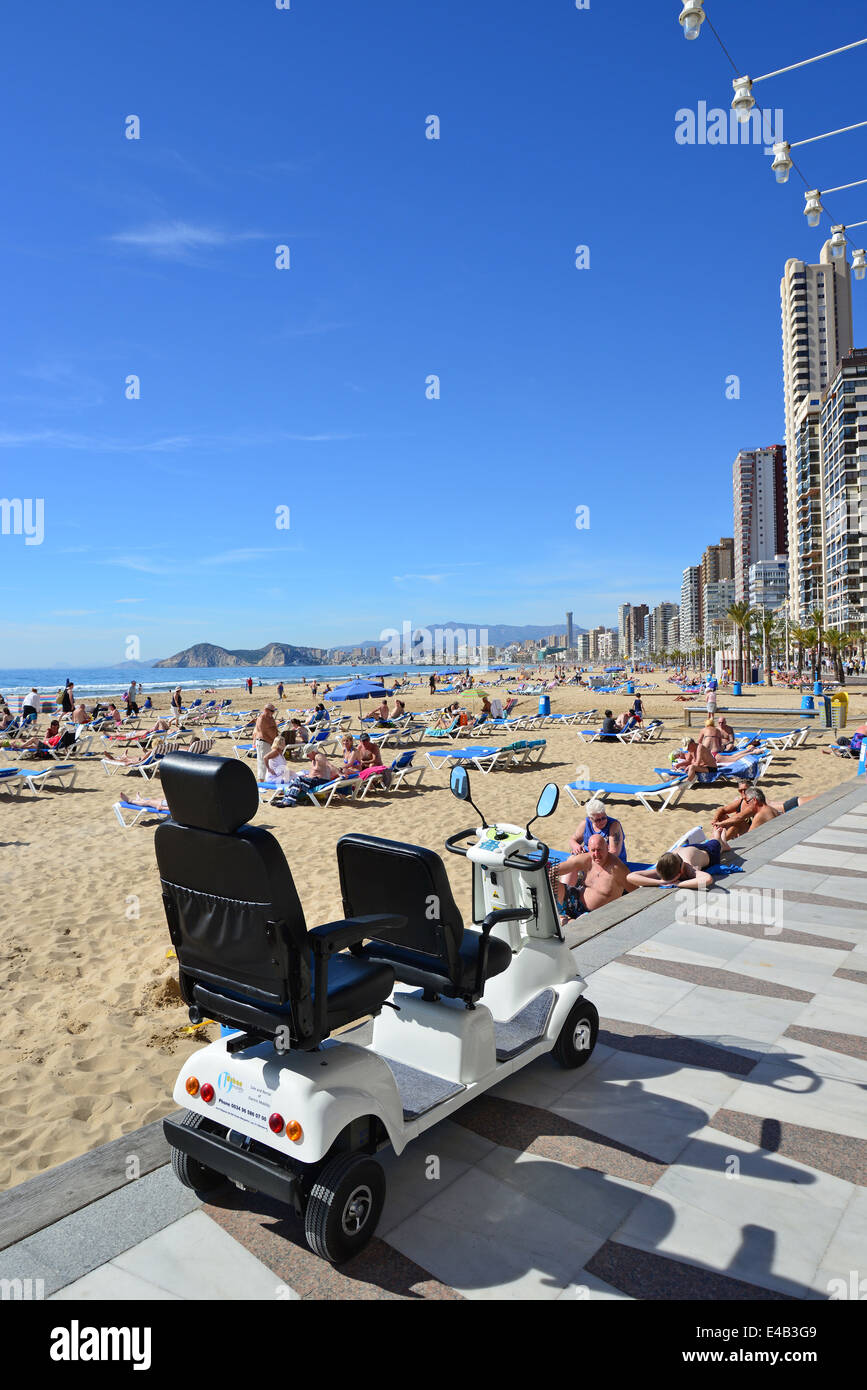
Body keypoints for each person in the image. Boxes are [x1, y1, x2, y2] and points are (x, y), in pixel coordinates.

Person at [550, 835, 634, 920]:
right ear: (588, 850)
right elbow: (556, 870)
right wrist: (545, 874)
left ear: (607, 847)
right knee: (550, 883)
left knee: (573, 924)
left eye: (599, 850)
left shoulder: (617, 869)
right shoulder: (587, 859)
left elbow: (637, 892)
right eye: (593, 850)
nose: (596, 854)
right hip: (574, 900)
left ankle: (564, 920)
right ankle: (561, 914)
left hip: (594, 916)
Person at [627, 842, 720, 892]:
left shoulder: (689, 868)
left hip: (708, 851)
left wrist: (678, 884)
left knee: (720, 843)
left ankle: (719, 835)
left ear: (681, 871)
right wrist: (660, 882)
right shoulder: (665, 868)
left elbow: (708, 879)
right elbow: (630, 877)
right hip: (685, 849)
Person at [253, 703, 279, 780]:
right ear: (266, 710)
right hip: (263, 742)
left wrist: (276, 740)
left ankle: (269, 779)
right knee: (262, 763)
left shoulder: (271, 718)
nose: (273, 712)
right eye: (271, 711)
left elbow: (275, 730)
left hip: (271, 742)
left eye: (274, 711)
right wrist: (272, 742)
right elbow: (262, 733)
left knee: (272, 762)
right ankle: (261, 782)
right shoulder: (262, 719)